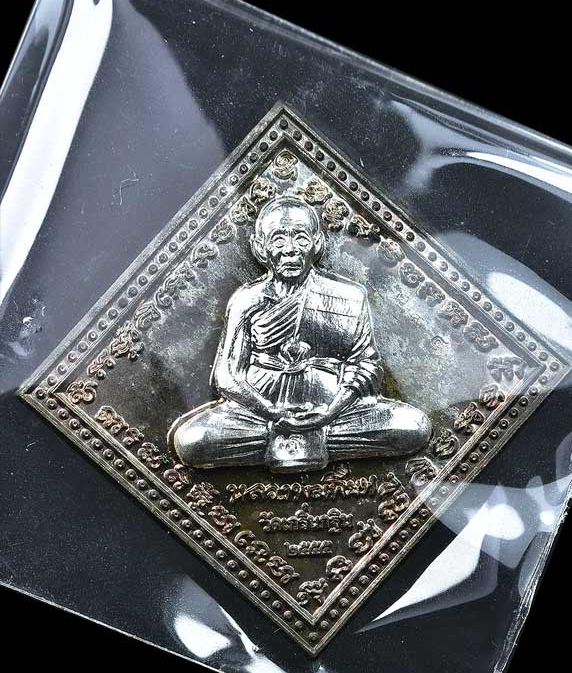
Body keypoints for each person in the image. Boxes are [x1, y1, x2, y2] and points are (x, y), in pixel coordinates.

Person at [169, 195, 431, 472]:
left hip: (335, 412)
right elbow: (227, 376)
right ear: (260, 247)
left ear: (317, 243)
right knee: (193, 441)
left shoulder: (349, 295)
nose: (290, 250)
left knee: (411, 426)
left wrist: (328, 413)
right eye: (278, 240)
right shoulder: (247, 300)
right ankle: (301, 438)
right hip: (259, 415)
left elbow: (365, 365)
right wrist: (272, 412)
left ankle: (304, 438)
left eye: (301, 239)